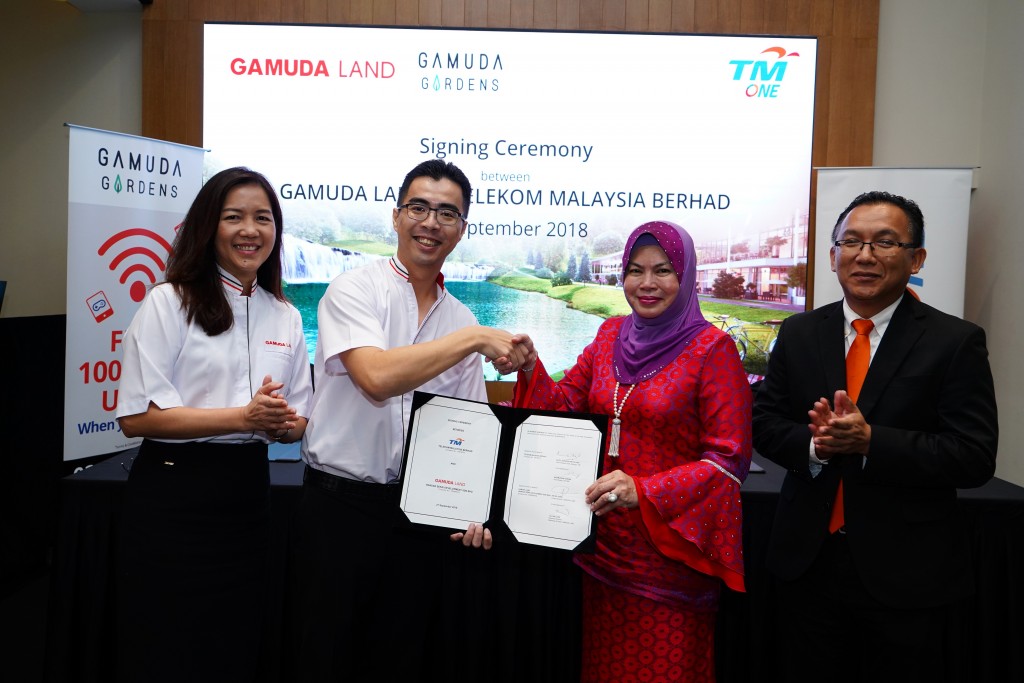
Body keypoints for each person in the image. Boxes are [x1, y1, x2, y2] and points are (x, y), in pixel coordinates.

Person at [285, 159, 531, 682]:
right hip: (338, 510)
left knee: (401, 659)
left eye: (447, 213)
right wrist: (473, 339)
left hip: (420, 519)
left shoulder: (461, 318)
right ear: (396, 217)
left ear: (462, 230)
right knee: (323, 657)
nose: (431, 222)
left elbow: (467, 429)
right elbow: (374, 377)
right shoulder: (352, 291)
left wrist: (475, 509)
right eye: (419, 207)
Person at [752, 191, 998, 682]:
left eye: (885, 243)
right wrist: (814, 445)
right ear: (833, 255)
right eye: (852, 242)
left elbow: (973, 455)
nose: (864, 256)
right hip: (809, 566)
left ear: (917, 258)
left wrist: (872, 442)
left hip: (908, 577)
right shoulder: (799, 332)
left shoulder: (954, 341)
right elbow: (763, 421)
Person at [505, 221, 752, 683]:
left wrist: (644, 490)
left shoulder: (712, 350)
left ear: (685, 276)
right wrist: (532, 366)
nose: (647, 284)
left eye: (663, 271)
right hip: (603, 549)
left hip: (670, 557)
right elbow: (563, 407)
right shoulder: (609, 336)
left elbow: (729, 459)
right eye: (635, 271)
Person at [114, 167, 313, 683]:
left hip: (247, 498)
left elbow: (296, 421)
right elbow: (137, 417)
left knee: (235, 642)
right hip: (173, 494)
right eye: (234, 217)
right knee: (166, 644)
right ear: (209, 226)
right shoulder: (169, 301)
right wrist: (243, 417)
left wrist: (279, 424)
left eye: (263, 218)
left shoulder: (285, 315)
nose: (250, 230)